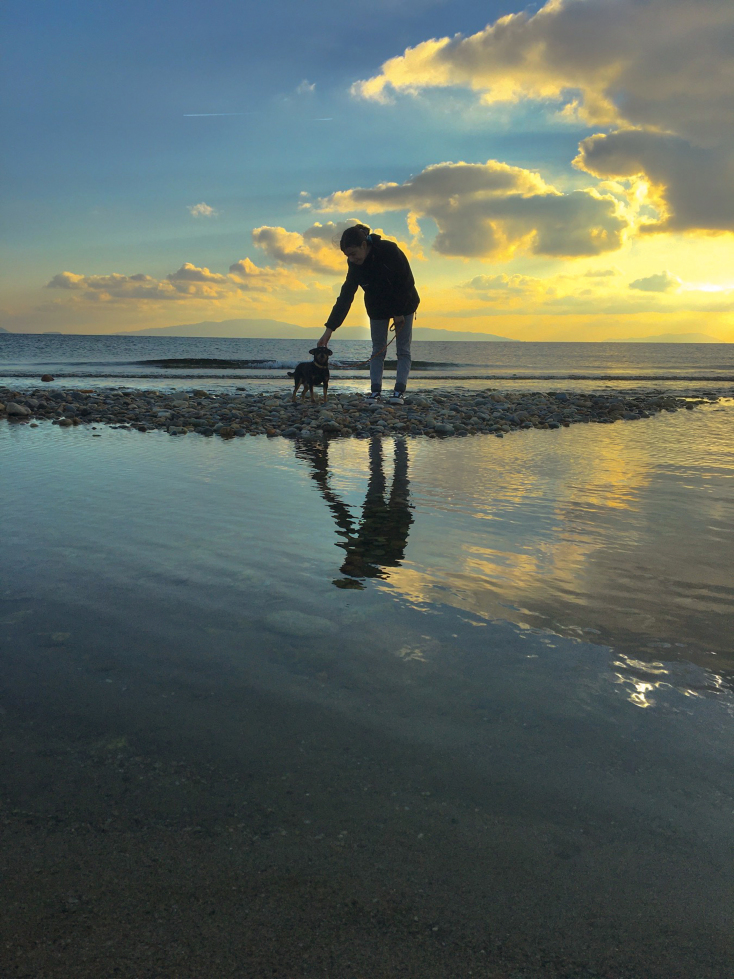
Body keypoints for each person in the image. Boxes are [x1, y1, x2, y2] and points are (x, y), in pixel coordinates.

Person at [317, 224, 419, 405]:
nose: (351, 259)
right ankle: (375, 392)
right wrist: (329, 330)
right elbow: (345, 297)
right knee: (377, 350)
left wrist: (398, 312)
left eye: (353, 254)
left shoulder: (389, 251)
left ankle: (398, 392)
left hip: (405, 303)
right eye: (347, 256)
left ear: (364, 245)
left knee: (403, 349)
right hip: (377, 308)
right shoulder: (354, 266)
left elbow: (405, 283)